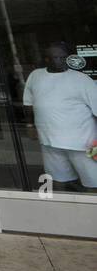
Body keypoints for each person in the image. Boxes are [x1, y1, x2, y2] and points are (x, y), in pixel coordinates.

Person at [23, 42, 97, 191]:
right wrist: (29, 125)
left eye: (63, 57)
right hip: (49, 142)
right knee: (57, 179)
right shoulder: (36, 76)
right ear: (47, 59)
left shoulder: (81, 79)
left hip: (85, 144)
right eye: (56, 57)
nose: (61, 61)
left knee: (93, 181)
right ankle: (62, 209)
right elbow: (28, 103)